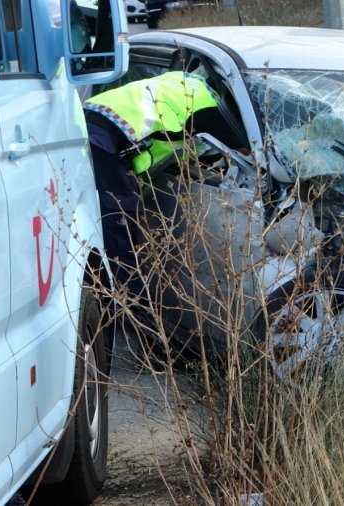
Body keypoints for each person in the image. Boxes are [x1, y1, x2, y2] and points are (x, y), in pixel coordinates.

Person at [84, 71, 246, 342]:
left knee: (104, 230)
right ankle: (149, 340)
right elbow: (250, 151)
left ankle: (114, 317)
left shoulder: (190, 81)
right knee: (122, 238)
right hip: (102, 138)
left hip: (88, 121)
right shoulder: (211, 110)